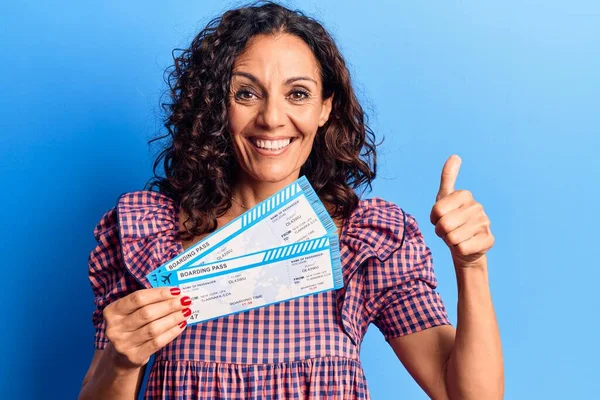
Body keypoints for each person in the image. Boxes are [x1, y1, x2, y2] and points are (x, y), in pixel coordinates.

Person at [78, 2, 504, 399]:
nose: (272, 118)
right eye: (246, 93)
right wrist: (120, 360)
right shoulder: (148, 233)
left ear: (324, 108)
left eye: (297, 93)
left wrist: (472, 266)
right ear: (214, 106)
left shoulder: (365, 241)